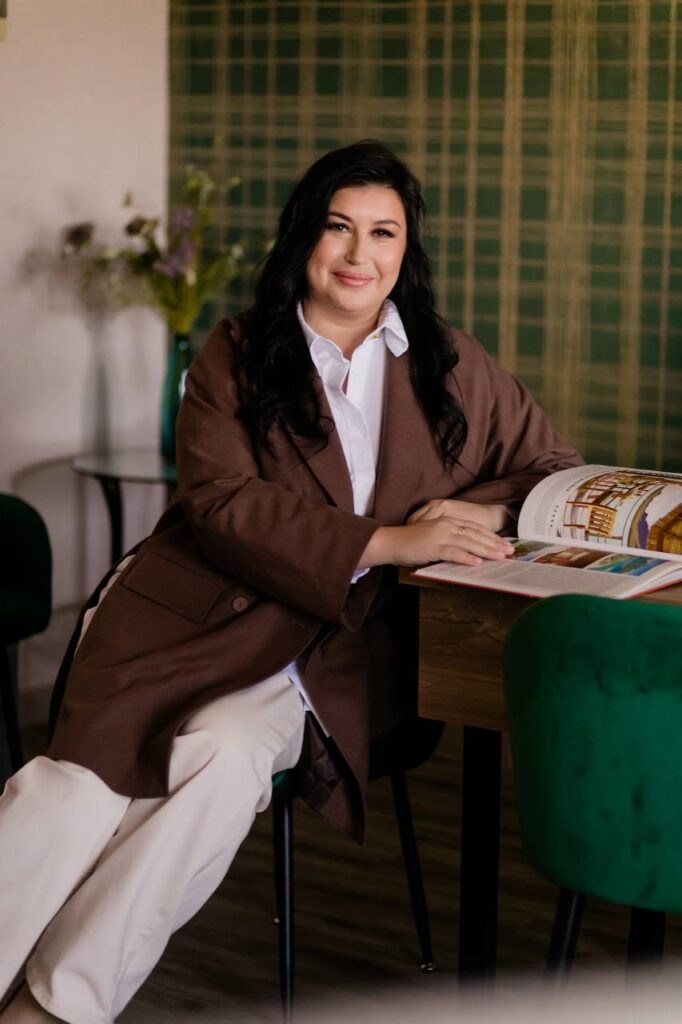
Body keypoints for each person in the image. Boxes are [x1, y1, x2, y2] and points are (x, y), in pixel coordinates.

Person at [0, 140, 582, 1023]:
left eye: (383, 233)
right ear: (303, 235)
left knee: (226, 759)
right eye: (339, 227)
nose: (359, 254)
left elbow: (554, 467)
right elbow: (222, 504)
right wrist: (393, 538)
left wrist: (482, 513)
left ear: (406, 250)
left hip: (330, 651)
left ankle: (52, 1009)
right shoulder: (236, 354)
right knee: (74, 792)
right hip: (190, 620)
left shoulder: (451, 362)